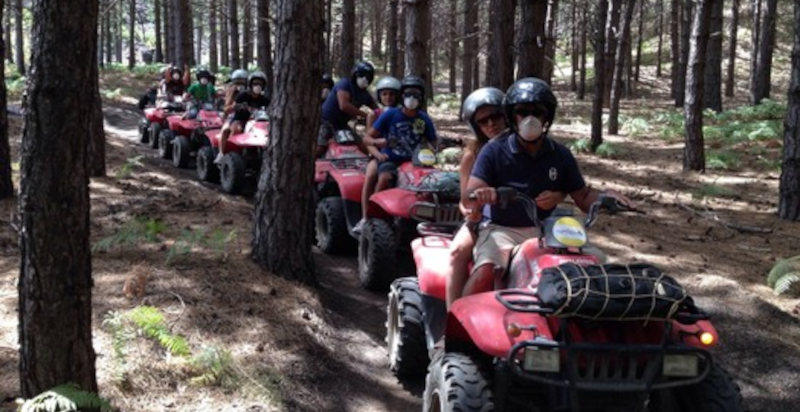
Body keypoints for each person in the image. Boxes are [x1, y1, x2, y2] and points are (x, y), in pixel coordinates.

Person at [464, 77, 631, 297]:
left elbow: (582, 196)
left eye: (538, 112)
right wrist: (483, 193)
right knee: (487, 269)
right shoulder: (494, 150)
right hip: (502, 229)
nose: (530, 119)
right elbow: (470, 194)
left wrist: (606, 198)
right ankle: (459, 322)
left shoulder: (560, 154)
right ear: (513, 116)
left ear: (547, 117)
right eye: (523, 112)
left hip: (551, 230)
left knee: (596, 264)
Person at [444, 87, 517, 308]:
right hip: (483, 220)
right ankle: (453, 317)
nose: (491, 124)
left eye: (495, 117)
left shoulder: (521, 146)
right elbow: (465, 198)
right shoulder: (472, 154)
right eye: (483, 121)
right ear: (476, 127)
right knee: (457, 252)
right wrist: (471, 210)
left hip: (520, 218)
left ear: (506, 116)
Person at [355, 75, 437, 234]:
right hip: (390, 158)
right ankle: (373, 213)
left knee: (431, 185)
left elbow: (433, 141)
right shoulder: (389, 114)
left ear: (421, 98)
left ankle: (423, 220)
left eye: (416, 95)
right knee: (384, 178)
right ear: (402, 96)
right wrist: (378, 145)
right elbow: (367, 137)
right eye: (408, 94)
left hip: (415, 162)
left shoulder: (424, 119)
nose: (411, 98)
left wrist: (440, 148)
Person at [317, 61, 378, 158]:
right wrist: (366, 116)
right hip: (325, 121)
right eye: (361, 75)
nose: (364, 79)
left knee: (362, 147)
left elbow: (376, 109)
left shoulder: (365, 95)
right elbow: (344, 105)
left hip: (341, 125)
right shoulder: (345, 83)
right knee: (319, 147)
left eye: (367, 77)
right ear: (355, 75)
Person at [215, 71, 270, 164]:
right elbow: (230, 108)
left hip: (256, 122)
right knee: (229, 130)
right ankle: (221, 153)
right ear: (250, 84)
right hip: (239, 119)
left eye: (260, 84)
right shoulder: (243, 95)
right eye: (255, 83)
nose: (258, 86)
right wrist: (237, 107)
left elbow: (270, 109)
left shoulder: (264, 99)